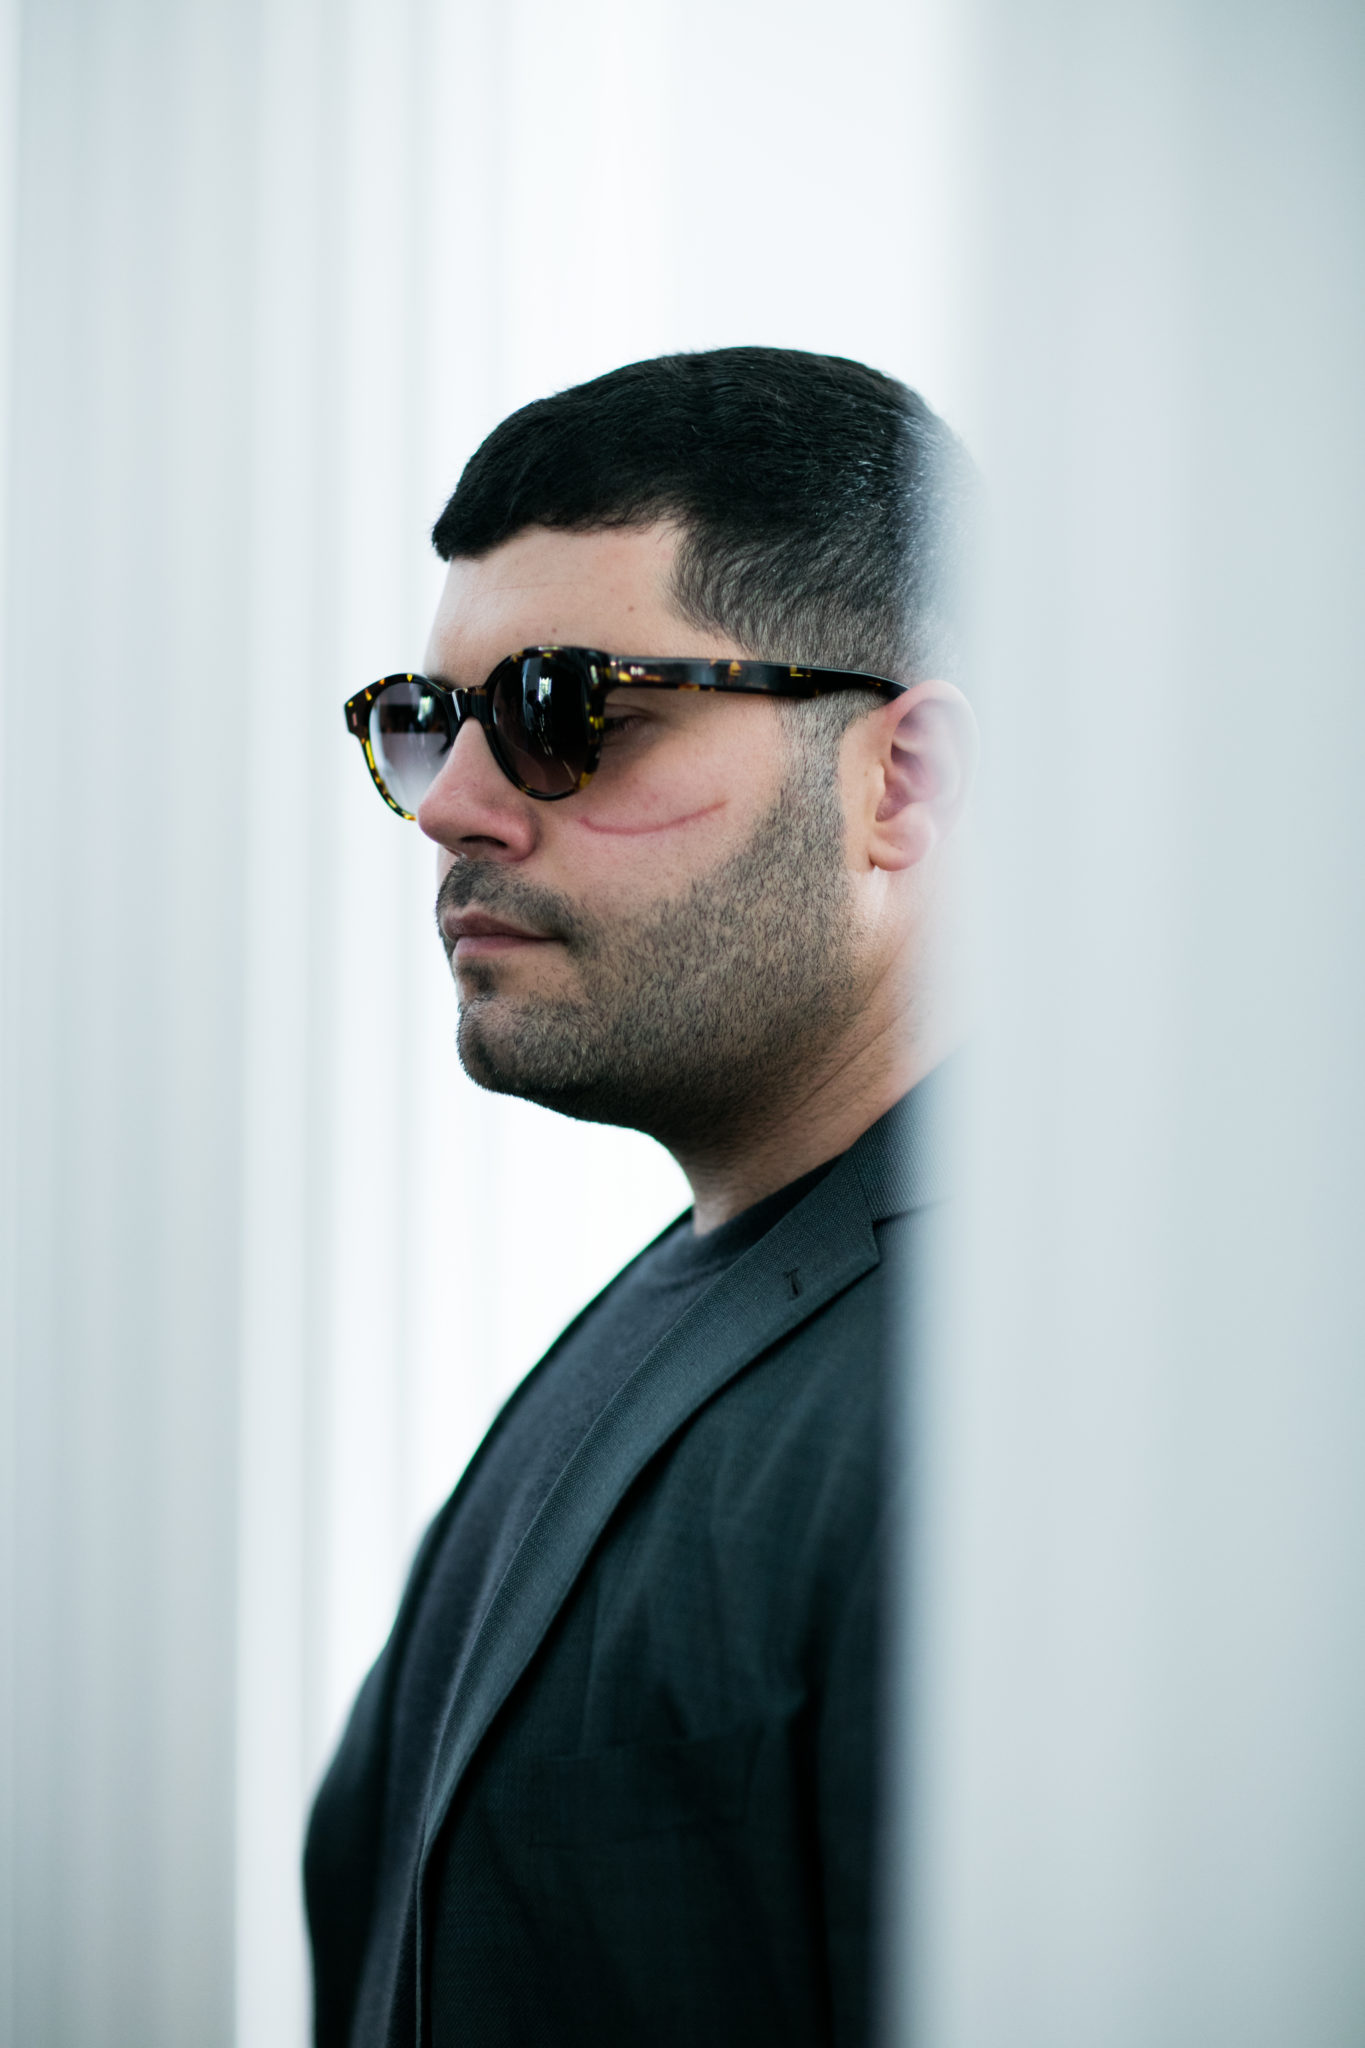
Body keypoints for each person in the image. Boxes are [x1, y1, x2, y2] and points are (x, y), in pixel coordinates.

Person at [307, 345, 976, 2048]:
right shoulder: (691, 1303)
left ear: (898, 783)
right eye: (427, 723)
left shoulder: (1014, 1395)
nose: (452, 810)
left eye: (566, 713)